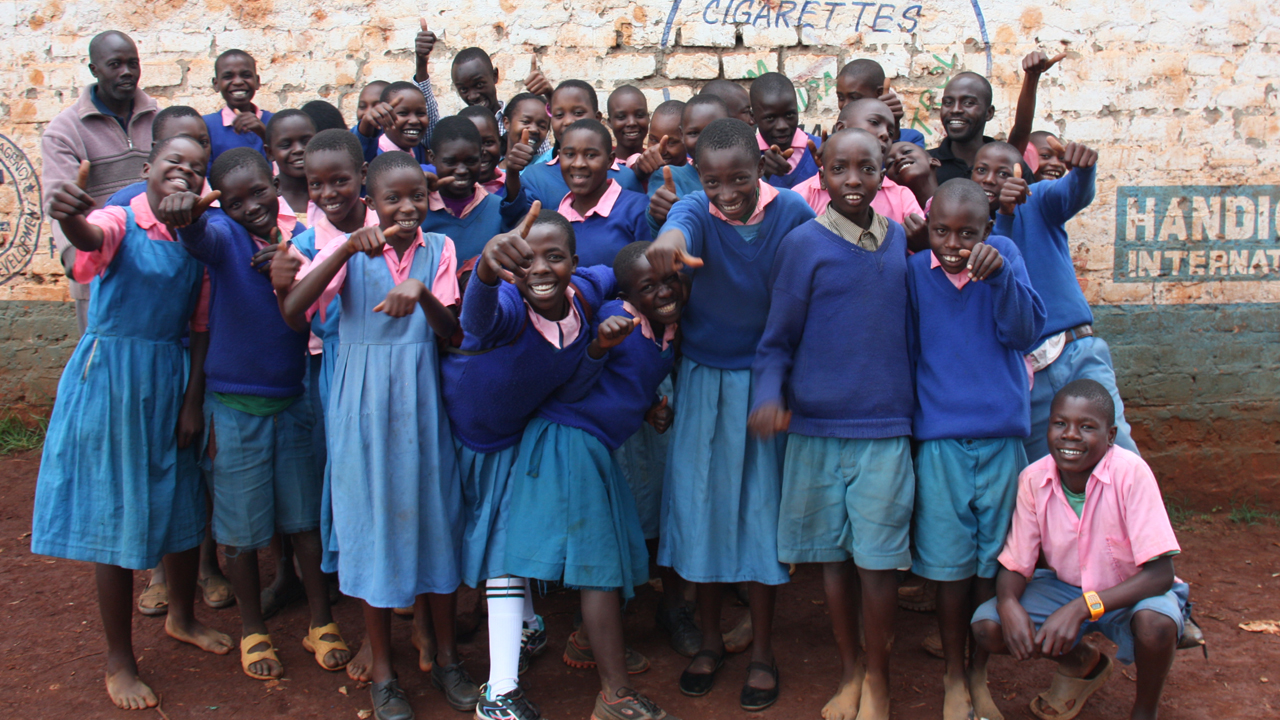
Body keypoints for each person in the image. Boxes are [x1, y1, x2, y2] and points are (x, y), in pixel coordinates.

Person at [32, 134, 233, 710]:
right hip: (115, 379)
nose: (185, 173)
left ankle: (182, 617)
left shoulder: (199, 235)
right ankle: (119, 658)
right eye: (175, 162)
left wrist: (192, 401)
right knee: (116, 513)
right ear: (147, 168)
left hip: (171, 379)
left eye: (197, 168)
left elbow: (199, 328)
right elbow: (91, 243)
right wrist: (72, 219)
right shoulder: (119, 217)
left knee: (180, 501)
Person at [279, 150, 478, 720]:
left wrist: (422, 299)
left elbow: (454, 336)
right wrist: (343, 247)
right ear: (372, 199)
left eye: (418, 196)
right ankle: (385, 674)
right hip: (361, 407)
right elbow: (294, 313)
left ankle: (445, 659)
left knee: (435, 525)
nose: (408, 207)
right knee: (370, 528)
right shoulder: (349, 247)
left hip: (422, 407)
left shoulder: (439, 249)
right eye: (393, 199)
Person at [648, 118, 816, 711]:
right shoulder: (695, 210)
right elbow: (680, 225)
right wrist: (669, 241)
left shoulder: (792, 212)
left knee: (759, 519)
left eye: (739, 178)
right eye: (713, 179)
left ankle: (764, 649)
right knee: (704, 513)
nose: (726, 192)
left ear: (760, 170)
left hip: (764, 386)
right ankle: (713, 640)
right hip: (701, 383)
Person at [749, 128, 911, 720]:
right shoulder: (803, 246)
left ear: (882, 174)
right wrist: (769, 397)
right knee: (832, 560)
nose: (851, 181)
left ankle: (879, 678)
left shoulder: (900, 244)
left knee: (878, 563)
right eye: (839, 168)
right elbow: (775, 344)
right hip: (815, 432)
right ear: (820, 168)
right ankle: (849, 670)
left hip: (884, 430)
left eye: (865, 169)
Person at [169, 148, 349, 682]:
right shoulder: (223, 234)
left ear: (275, 182)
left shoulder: (300, 234)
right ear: (222, 203)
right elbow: (199, 238)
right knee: (242, 530)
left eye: (259, 193)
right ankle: (253, 629)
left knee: (302, 522)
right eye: (235, 199)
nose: (251, 206)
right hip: (235, 407)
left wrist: (285, 256)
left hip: (292, 399)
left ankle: (320, 621)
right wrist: (191, 215)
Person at [443, 206, 621, 720]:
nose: (540, 269)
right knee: (500, 552)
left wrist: (654, 261)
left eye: (555, 257)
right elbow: (476, 319)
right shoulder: (507, 306)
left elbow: (618, 272)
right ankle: (498, 695)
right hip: (469, 442)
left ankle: (520, 630)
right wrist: (483, 273)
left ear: (574, 262)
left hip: (515, 438)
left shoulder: (585, 295)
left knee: (508, 546)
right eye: (526, 261)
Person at [505, 241, 683, 720]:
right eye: (649, 286)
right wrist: (599, 345)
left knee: (624, 549)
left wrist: (649, 408)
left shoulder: (666, 327)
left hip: (598, 444)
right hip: (570, 441)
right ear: (627, 294)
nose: (664, 292)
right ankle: (614, 695)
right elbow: (576, 384)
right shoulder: (614, 320)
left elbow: (630, 382)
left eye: (671, 281)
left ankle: (588, 641)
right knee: (599, 567)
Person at [906, 179, 1046, 720]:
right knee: (948, 568)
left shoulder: (1005, 257)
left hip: (1002, 442)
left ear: (988, 230)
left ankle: (980, 674)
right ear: (927, 226)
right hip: (940, 443)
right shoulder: (916, 272)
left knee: (992, 565)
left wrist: (1002, 274)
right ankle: (953, 677)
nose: (954, 244)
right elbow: (911, 351)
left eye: (968, 233)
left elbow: (1025, 332)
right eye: (941, 230)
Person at [971, 380, 1187, 720]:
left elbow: (1161, 574)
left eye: (1087, 427)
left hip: (1130, 592)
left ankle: (1145, 710)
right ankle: (1082, 661)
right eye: (1060, 424)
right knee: (989, 626)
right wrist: (1008, 602)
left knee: (1156, 624)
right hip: (1066, 588)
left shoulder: (1131, 474)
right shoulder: (1033, 480)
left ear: (1111, 435)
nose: (1070, 435)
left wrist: (1083, 607)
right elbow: (1016, 563)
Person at [974, 141, 1140, 460]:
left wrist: (1084, 170)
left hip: (1076, 354)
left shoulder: (1038, 202)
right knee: (1043, 471)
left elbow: (1073, 194)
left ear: (1024, 178)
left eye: (1003, 172)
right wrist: (1004, 217)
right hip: (1024, 376)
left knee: (1118, 458)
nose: (990, 179)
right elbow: (1006, 273)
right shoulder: (968, 232)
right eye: (981, 170)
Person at [42, 30, 157, 334]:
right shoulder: (64, 132)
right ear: (94, 70)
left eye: (133, 63)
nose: (127, 73)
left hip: (159, 268)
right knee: (105, 370)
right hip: (101, 273)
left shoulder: (159, 119)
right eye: (115, 64)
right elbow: (61, 207)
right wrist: (79, 261)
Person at [792, 99, 924, 226]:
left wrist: (916, 244)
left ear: (881, 178)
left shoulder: (901, 197)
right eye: (874, 122)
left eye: (891, 132)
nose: (885, 134)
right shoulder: (802, 196)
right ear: (841, 128)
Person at [419, 116, 530, 262]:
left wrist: (513, 173)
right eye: (451, 162)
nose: (461, 170)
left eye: (470, 161)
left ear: (481, 157)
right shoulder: (420, 210)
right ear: (432, 158)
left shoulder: (497, 209)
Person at [519, 81, 644, 206]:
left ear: (597, 118)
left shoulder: (625, 178)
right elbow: (517, 220)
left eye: (578, 113)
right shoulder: (535, 177)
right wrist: (513, 175)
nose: (568, 121)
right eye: (559, 115)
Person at [555, 119, 652, 266]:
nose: (578, 163)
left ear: (609, 161)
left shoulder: (637, 209)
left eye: (591, 155)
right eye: (569, 154)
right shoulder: (556, 220)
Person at [645, 95, 730, 232]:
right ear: (682, 134)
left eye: (714, 130)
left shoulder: (749, 175)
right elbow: (672, 226)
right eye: (694, 133)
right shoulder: (669, 177)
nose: (704, 140)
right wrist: (659, 217)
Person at [750, 73, 821, 189]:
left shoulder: (821, 150)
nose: (782, 126)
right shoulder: (745, 157)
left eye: (789, 115)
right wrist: (760, 174)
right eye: (770, 118)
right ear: (753, 117)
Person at [203, 49, 273, 169]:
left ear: (257, 82)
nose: (238, 82)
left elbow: (285, 168)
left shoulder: (274, 122)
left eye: (246, 75)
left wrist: (265, 135)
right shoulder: (206, 126)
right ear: (216, 84)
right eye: (228, 76)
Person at [834, 58, 926, 148]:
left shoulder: (911, 139)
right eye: (841, 98)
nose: (845, 105)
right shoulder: (825, 144)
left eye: (854, 98)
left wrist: (893, 133)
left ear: (879, 93)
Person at [929, 72, 998, 184]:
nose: (955, 109)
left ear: (989, 113)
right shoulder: (926, 165)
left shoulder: (1006, 166)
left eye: (968, 103)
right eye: (948, 103)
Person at [355, 81, 430, 165]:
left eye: (421, 113)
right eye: (403, 113)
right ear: (384, 114)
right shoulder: (374, 155)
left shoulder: (417, 149)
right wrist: (365, 127)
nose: (414, 120)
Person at [266, 109, 318, 218]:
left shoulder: (333, 193)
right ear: (270, 153)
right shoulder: (267, 201)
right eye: (286, 145)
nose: (298, 149)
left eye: (306, 142)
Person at [459, 105, 508, 196]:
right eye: (472, 144)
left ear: (500, 142)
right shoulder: (447, 192)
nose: (481, 152)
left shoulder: (514, 186)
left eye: (488, 142)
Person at [886, 140, 941, 211]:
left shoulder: (957, 201)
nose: (898, 159)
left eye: (907, 152)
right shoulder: (895, 219)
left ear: (934, 161)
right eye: (890, 163)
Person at [607, 85, 650, 161]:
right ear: (610, 122)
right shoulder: (602, 164)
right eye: (621, 117)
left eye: (639, 115)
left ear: (648, 118)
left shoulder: (657, 162)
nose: (632, 123)